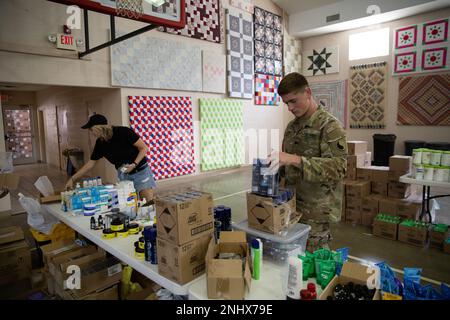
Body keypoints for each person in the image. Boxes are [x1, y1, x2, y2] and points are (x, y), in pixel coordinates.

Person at [271, 73, 347, 252]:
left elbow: (339, 168)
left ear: (308, 93)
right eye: (286, 103)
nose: (289, 107)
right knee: (292, 261)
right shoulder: (292, 128)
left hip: (317, 212)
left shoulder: (329, 126)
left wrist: (295, 159)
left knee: (314, 265)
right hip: (291, 207)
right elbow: (287, 165)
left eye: (293, 101)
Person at [65, 114, 156, 204]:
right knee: (129, 205)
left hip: (140, 172)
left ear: (98, 128)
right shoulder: (100, 143)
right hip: (124, 175)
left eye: (91, 129)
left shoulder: (123, 132)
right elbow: (91, 163)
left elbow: (144, 148)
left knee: (148, 204)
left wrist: (134, 164)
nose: (90, 132)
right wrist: (73, 179)